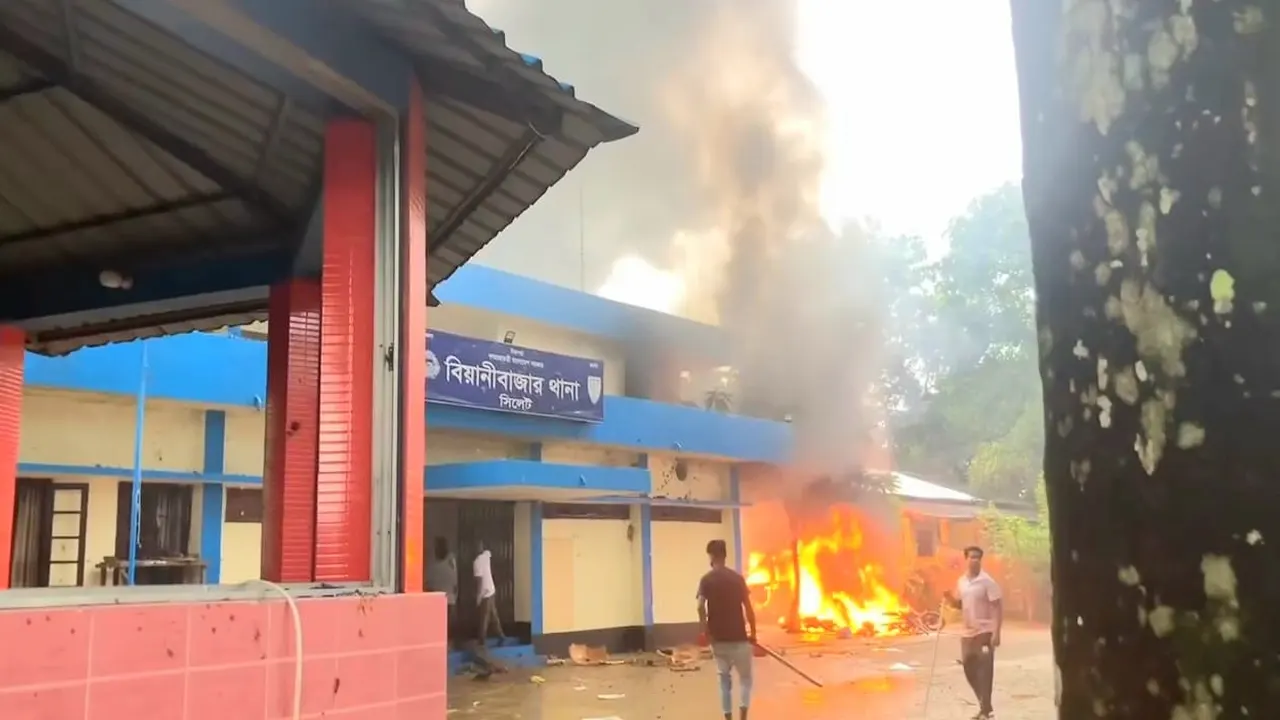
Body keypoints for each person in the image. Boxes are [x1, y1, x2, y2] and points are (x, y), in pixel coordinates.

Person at [697, 539, 757, 720]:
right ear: (725, 555)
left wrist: (706, 631)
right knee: (745, 679)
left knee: (724, 680)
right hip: (740, 640)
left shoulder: (706, 580)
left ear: (711, 556)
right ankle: (743, 716)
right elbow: (749, 608)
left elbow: (700, 606)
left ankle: (728, 718)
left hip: (719, 641)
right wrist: (753, 633)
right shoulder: (737, 579)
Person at [944, 545, 1003, 720]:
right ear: (966, 559)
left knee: (985, 672)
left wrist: (996, 632)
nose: (975, 560)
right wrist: (949, 598)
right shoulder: (961, 582)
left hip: (984, 632)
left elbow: (997, 607)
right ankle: (985, 705)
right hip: (967, 633)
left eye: (978, 557)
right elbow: (959, 604)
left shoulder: (987, 582)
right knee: (968, 669)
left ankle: (985, 711)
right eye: (972, 557)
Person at [426, 537, 457, 646]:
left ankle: (444, 643)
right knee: (445, 624)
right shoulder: (449, 564)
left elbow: (428, 584)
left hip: (444, 599)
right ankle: (446, 643)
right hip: (446, 599)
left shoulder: (437, 566)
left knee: (443, 624)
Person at [472, 540, 506, 642]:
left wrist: (478, 597)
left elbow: (479, 582)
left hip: (485, 593)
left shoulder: (477, 563)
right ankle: (501, 636)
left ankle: (482, 639)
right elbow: (488, 552)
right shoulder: (486, 555)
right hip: (491, 590)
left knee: (484, 617)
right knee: (493, 615)